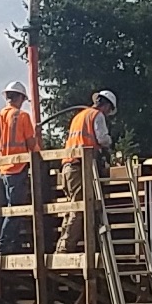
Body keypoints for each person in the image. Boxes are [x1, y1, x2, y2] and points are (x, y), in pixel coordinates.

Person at [60, 90, 117, 253]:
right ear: (106, 106)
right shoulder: (96, 115)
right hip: (81, 167)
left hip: (68, 166)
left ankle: (64, 245)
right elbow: (102, 138)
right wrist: (109, 144)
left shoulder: (79, 116)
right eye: (108, 110)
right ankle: (65, 249)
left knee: (74, 206)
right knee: (80, 208)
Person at [0, 81, 43, 254]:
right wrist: (42, 159)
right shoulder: (22, 116)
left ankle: (9, 245)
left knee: (4, 211)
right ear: (19, 97)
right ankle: (3, 246)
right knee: (15, 210)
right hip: (17, 169)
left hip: (1, 170)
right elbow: (31, 144)